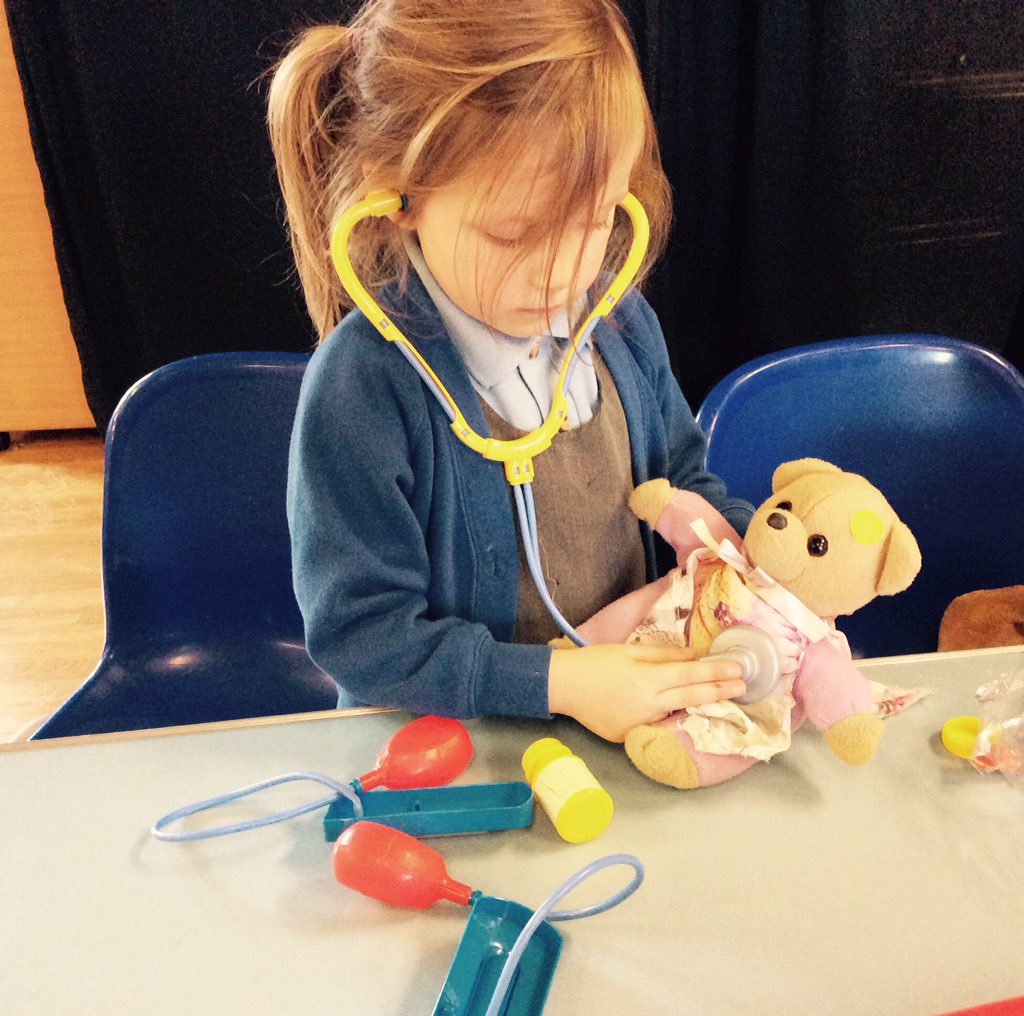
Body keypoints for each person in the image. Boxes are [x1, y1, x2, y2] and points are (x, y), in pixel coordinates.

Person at [267, 0, 754, 743]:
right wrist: (559, 682)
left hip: (619, 732)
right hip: (449, 749)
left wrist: (757, 553)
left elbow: (684, 481)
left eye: (593, 220)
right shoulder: (364, 388)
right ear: (395, 188)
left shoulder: (620, 328)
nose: (565, 272)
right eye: (514, 232)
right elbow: (363, 637)